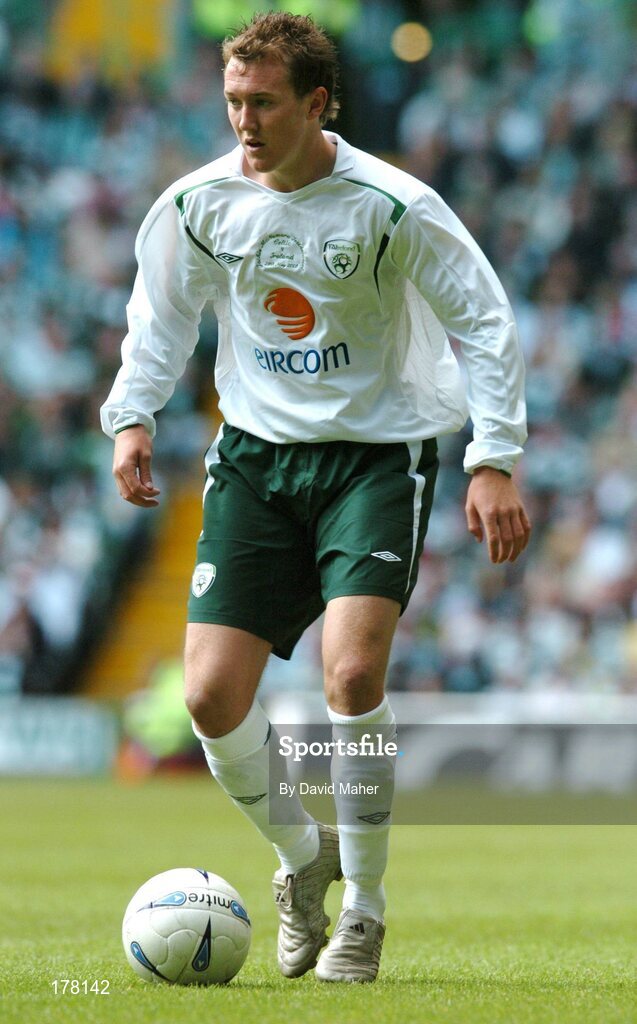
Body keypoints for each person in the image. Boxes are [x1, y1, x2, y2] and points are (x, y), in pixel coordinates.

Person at [101, 11, 531, 984]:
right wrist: (132, 415)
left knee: (350, 675)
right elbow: (159, 317)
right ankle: (305, 860)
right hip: (256, 460)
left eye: (262, 104)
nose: (243, 122)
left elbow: (484, 318)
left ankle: (366, 913)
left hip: (377, 459)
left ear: (316, 104)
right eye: (232, 103)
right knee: (210, 696)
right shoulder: (196, 205)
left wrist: (491, 457)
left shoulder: (392, 205)